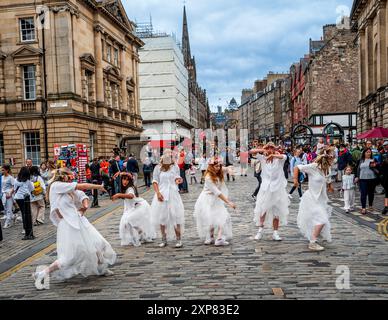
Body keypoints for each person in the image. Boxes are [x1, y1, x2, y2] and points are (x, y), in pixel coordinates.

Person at [32, 168, 116, 290]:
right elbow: (82, 186)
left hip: (79, 221)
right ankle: (42, 273)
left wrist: (85, 206)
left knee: (98, 244)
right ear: (63, 176)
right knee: (69, 257)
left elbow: (81, 195)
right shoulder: (56, 186)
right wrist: (98, 186)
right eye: (69, 176)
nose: (71, 178)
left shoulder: (66, 188)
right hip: (70, 225)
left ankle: (101, 268)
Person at [294, 148, 335, 251]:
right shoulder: (313, 167)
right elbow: (297, 167)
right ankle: (312, 243)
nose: (332, 162)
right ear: (325, 161)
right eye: (331, 160)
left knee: (319, 219)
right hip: (311, 198)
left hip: (321, 199)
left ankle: (314, 236)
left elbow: (327, 178)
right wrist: (295, 180)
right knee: (322, 219)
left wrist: (330, 186)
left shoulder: (326, 169)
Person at [249, 143, 290, 242]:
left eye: (272, 147)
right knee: (263, 209)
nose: (270, 149)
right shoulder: (263, 158)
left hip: (277, 189)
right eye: (268, 148)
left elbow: (285, 156)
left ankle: (275, 233)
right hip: (265, 188)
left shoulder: (279, 159)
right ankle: (260, 231)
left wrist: (273, 155)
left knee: (276, 211)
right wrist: (263, 150)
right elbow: (251, 152)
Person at [194, 157, 236, 246]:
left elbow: (227, 168)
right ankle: (211, 236)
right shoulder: (208, 177)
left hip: (215, 199)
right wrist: (229, 202)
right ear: (211, 166)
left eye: (219, 166)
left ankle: (219, 238)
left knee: (223, 217)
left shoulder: (219, 171)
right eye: (216, 166)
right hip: (207, 199)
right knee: (211, 218)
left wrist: (229, 170)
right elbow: (217, 192)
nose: (218, 168)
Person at [151, 150, 185, 248]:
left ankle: (178, 239)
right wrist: (157, 193)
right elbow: (155, 181)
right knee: (162, 217)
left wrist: (179, 180)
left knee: (175, 216)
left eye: (171, 155)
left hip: (173, 194)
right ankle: (164, 239)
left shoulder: (175, 167)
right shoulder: (158, 168)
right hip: (162, 194)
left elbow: (177, 178)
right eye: (167, 154)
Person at [113, 173, 154, 247]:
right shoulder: (125, 188)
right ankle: (140, 235)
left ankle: (139, 236)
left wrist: (119, 195)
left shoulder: (130, 188)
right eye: (123, 179)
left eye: (127, 180)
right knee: (127, 223)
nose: (125, 181)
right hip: (132, 208)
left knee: (128, 221)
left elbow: (131, 196)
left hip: (139, 206)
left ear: (130, 181)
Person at [14, 166, 35, 240]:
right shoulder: (28, 181)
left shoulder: (16, 180)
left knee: (23, 213)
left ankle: (25, 228)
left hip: (18, 198)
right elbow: (32, 189)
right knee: (26, 214)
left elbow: (14, 189)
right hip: (25, 198)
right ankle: (26, 229)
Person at [356, 148, 378, 215]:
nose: (368, 153)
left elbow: (378, 169)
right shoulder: (361, 160)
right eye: (367, 152)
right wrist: (357, 177)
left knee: (371, 193)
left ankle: (370, 205)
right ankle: (363, 208)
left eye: (369, 152)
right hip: (362, 179)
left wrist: (374, 167)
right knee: (363, 193)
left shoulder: (374, 160)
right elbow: (357, 169)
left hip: (372, 179)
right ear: (364, 153)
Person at [1, 164, 15, 229]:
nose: (2, 171)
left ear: (7, 170)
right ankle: (14, 217)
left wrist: (10, 193)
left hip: (9, 194)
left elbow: (14, 186)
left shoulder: (11, 178)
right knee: (5, 209)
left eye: (3, 170)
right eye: (2, 170)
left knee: (9, 209)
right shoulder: (1, 177)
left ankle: (7, 223)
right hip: (3, 195)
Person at [380, 141, 388, 215]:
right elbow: (380, 164)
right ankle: (386, 206)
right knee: (386, 191)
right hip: (385, 175)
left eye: (386, 145)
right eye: (384, 146)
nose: (385, 147)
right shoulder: (382, 154)